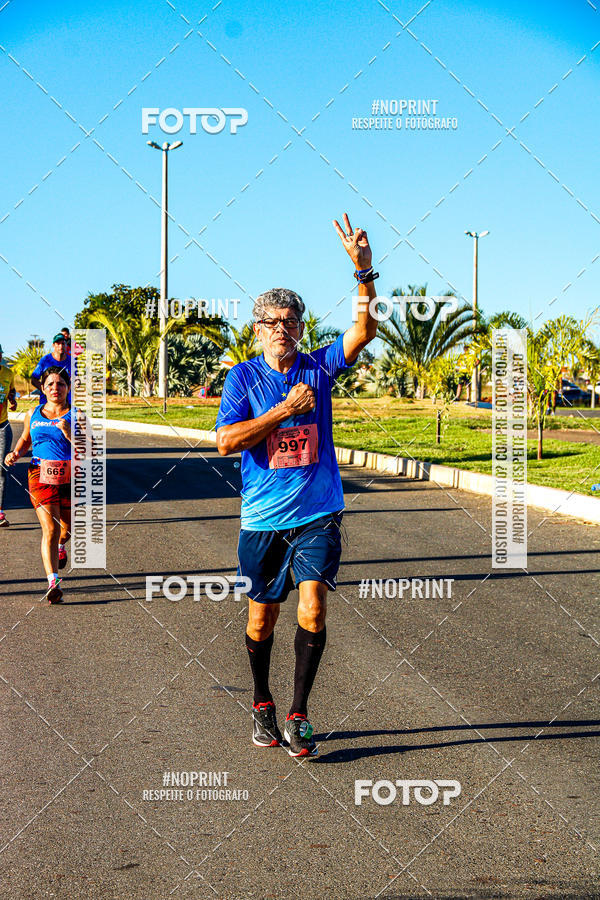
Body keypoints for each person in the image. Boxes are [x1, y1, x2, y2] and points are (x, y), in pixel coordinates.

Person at [216, 213, 378, 757]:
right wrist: (283, 411)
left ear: (302, 328)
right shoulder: (242, 377)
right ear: (257, 329)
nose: (281, 328)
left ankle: (299, 712)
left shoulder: (319, 366)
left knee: (312, 608)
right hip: (262, 519)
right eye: (271, 321)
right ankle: (261, 699)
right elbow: (226, 442)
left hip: (318, 512)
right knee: (262, 616)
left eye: (291, 320)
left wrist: (363, 272)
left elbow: (363, 331)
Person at [5, 367, 72, 603]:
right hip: (39, 475)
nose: (56, 388)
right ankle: (53, 582)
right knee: (50, 530)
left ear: (68, 387)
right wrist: (15, 453)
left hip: (71, 476)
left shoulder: (77, 415)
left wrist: (70, 434)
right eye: (51, 384)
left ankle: (61, 547)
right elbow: (25, 439)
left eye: (61, 384)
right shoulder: (33, 413)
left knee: (67, 530)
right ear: (43, 389)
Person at [0, 344, 17, 527]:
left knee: (2, 469)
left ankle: (0, 512)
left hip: (2, 426)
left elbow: (11, 392)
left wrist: (12, 400)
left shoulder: (7, 373)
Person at [31, 334, 71, 404]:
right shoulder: (45, 360)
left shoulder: (72, 361)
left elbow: (77, 379)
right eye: (58, 344)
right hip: (46, 403)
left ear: (66, 345)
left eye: (63, 343)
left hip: (66, 403)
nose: (61, 346)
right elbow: (34, 379)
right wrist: (46, 390)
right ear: (53, 345)